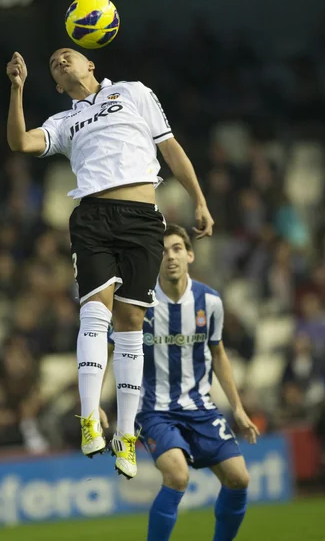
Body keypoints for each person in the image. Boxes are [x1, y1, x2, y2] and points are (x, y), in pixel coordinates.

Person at [5, 49, 214, 479]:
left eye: (69, 56)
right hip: (93, 217)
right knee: (94, 314)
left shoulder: (134, 93)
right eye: (54, 65)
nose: (62, 61)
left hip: (142, 219)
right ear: (59, 86)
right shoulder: (64, 122)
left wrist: (199, 199)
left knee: (131, 323)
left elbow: (170, 149)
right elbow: (20, 142)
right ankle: (87, 417)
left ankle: (125, 435)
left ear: (91, 65)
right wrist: (17, 89)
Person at [109, 224, 259, 539]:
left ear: (189, 254)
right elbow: (112, 352)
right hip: (154, 410)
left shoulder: (211, 301)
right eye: (162, 251)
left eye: (177, 248)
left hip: (201, 407)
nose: (171, 257)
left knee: (239, 479)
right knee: (177, 476)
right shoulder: (138, 304)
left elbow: (218, 354)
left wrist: (238, 408)